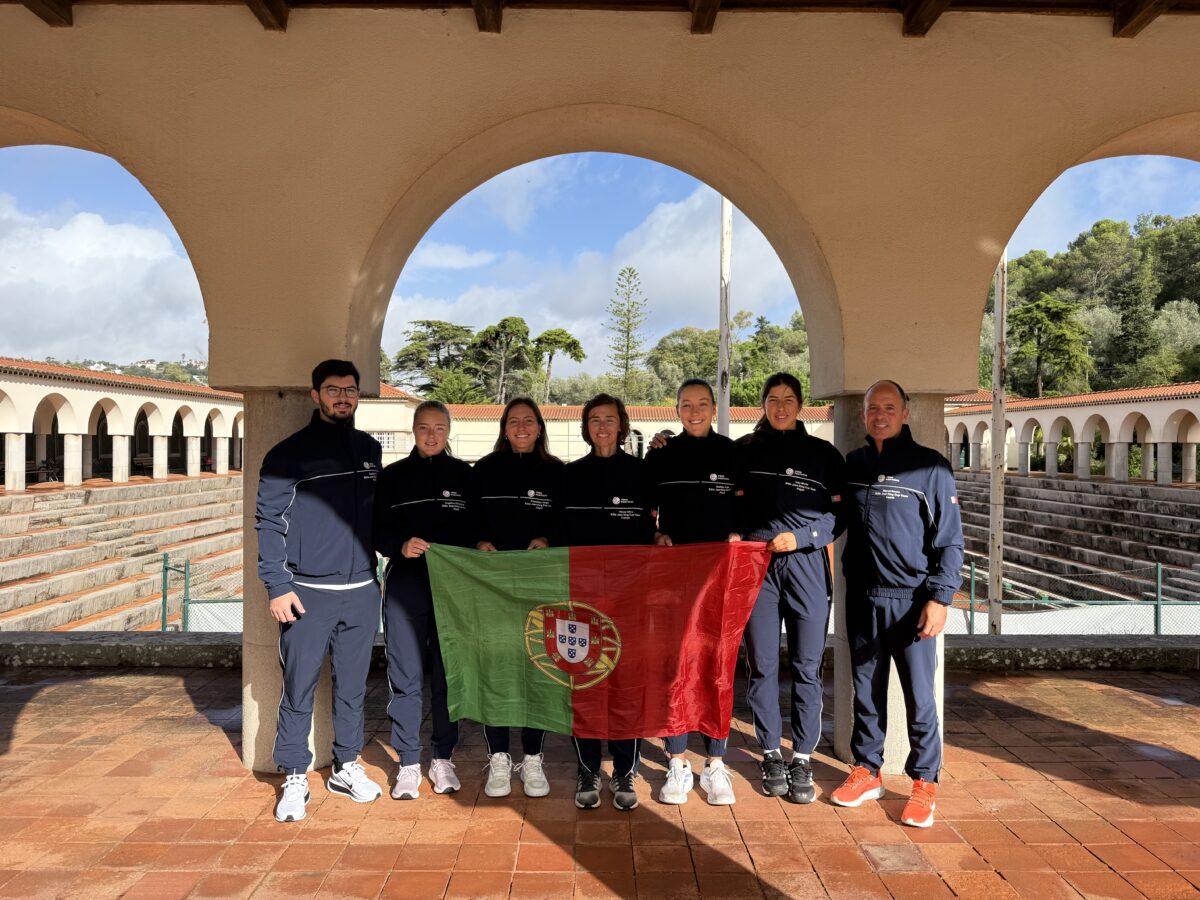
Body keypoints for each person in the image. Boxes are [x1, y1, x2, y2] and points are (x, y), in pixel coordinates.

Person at [255, 359, 383, 823]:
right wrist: (278, 585)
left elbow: (375, 518)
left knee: (352, 689)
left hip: (363, 592)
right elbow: (268, 521)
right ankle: (293, 773)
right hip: (307, 594)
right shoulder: (288, 454)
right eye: (333, 390)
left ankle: (346, 765)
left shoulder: (370, 449)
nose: (342, 397)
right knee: (298, 687)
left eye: (350, 390)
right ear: (316, 395)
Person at [831, 379, 963, 828]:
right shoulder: (855, 464)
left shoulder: (932, 468)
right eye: (872, 408)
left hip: (911, 602)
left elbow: (950, 543)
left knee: (919, 697)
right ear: (864, 414)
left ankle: (925, 781)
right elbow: (829, 515)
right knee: (865, 690)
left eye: (889, 407)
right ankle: (868, 770)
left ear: (905, 412)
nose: (880, 415)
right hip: (863, 598)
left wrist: (940, 598)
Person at [735, 372, 846, 804]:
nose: (780, 407)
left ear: (800, 405)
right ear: (763, 404)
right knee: (761, 664)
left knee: (806, 666)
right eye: (772, 399)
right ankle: (769, 752)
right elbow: (722, 493)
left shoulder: (823, 455)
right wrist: (665, 449)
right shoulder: (744, 451)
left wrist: (802, 539)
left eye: (788, 399)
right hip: (759, 569)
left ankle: (802, 756)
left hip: (807, 567)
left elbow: (840, 516)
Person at [643, 378, 743, 806]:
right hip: (673, 580)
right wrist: (657, 533)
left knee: (715, 668)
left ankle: (715, 764)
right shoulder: (662, 454)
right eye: (687, 404)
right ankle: (677, 761)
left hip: (720, 579)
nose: (695, 411)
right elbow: (642, 510)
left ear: (714, 406)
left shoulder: (733, 453)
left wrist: (739, 533)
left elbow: (749, 509)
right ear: (678, 409)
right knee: (675, 669)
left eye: (703, 404)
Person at [557, 393, 655, 811]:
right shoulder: (570, 475)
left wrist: (661, 538)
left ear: (622, 424)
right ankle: (588, 768)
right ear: (586, 427)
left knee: (626, 684)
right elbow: (556, 533)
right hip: (580, 599)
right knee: (585, 683)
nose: (602, 427)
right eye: (594, 420)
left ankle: (625, 771)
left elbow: (656, 525)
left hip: (630, 597)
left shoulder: (642, 472)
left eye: (609, 419)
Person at [374, 400, 475, 800]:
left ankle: (442, 757)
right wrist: (400, 545)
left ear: (448, 431)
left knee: (448, 675)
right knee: (406, 674)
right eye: (423, 428)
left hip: (453, 589)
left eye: (438, 428)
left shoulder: (465, 476)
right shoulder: (393, 477)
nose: (431, 435)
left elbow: (477, 530)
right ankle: (409, 763)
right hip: (407, 588)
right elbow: (376, 531)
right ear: (413, 431)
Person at [472, 397, 563, 799]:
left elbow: (569, 523)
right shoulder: (485, 471)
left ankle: (532, 758)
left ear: (540, 427)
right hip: (493, 589)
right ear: (504, 428)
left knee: (536, 671)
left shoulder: (557, 472)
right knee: (496, 671)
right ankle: (498, 758)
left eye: (529, 421)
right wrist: (479, 540)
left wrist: (549, 538)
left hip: (541, 588)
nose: (521, 427)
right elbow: (468, 520)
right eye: (514, 422)